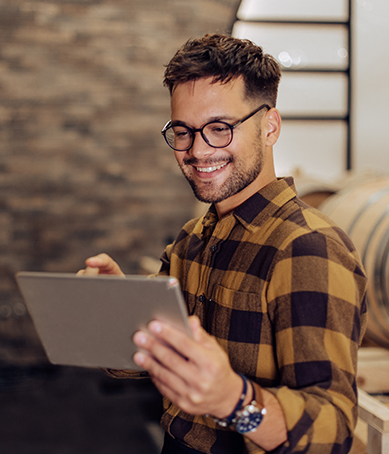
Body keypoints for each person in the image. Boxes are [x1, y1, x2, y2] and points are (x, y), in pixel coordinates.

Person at [78, 33, 367, 454]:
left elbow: (331, 428)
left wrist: (234, 401)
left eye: (219, 128)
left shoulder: (307, 248)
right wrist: (116, 305)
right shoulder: (192, 240)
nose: (197, 150)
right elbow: (150, 361)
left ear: (269, 127)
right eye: (183, 131)